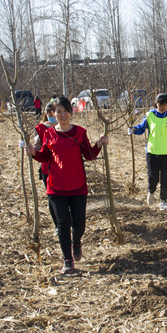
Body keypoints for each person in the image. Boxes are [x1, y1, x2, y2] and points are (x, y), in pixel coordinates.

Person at [26, 96, 109, 275]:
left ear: (70, 113)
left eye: (65, 111)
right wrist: (33, 152)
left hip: (77, 185)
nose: (62, 114)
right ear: (53, 114)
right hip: (56, 186)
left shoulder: (79, 132)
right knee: (63, 223)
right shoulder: (48, 134)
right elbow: (45, 157)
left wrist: (99, 144)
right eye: (58, 111)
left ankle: (76, 241)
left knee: (79, 224)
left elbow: (89, 155)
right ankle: (67, 260)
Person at [129, 93, 167, 210]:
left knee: (165, 178)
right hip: (152, 152)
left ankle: (163, 200)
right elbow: (141, 128)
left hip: (166, 152)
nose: (162, 106)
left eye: (165, 104)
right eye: (160, 104)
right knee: (153, 177)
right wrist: (133, 130)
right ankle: (151, 192)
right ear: (156, 104)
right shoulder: (150, 116)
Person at [32, 102, 59, 236]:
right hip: (47, 169)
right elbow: (37, 149)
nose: (52, 117)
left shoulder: (63, 128)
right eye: (49, 114)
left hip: (62, 169)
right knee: (52, 198)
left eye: (53, 114)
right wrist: (32, 150)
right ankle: (57, 225)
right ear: (46, 114)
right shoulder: (40, 128)